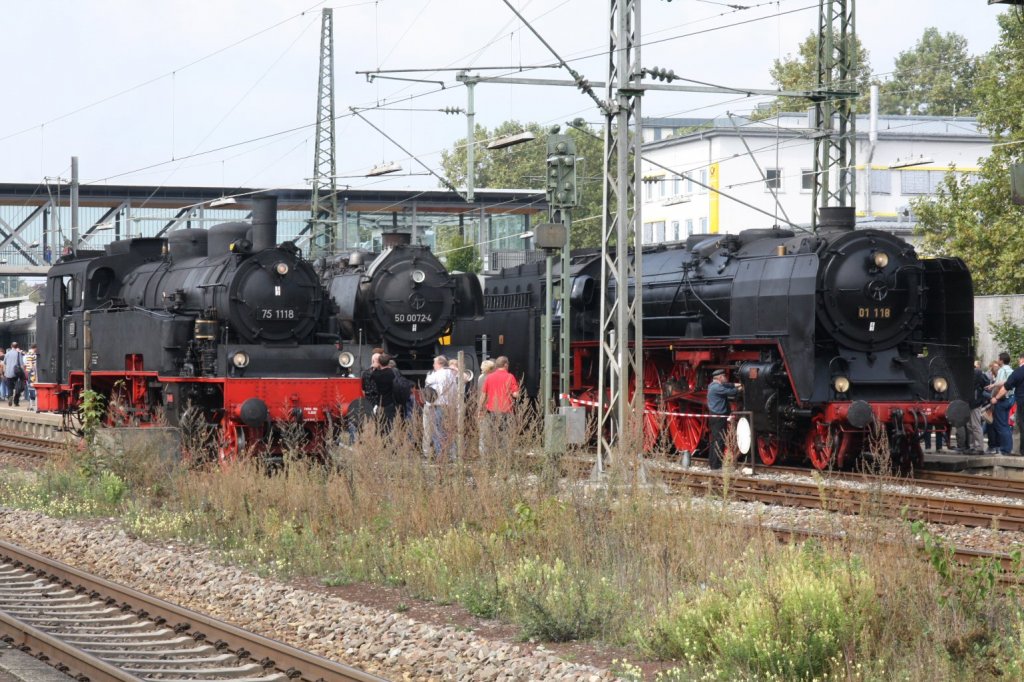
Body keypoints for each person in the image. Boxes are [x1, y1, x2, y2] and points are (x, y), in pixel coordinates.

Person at [479, 356, 520, 449]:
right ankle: (503, 457)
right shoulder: (510, 377)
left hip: (492, 410)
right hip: (506, 410)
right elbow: (516, 395)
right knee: (506, 435)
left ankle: (493, 454)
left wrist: (480, 409)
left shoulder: (489, 377)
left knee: (493, 434)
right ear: (505, 365)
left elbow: (483, 395)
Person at [706, 368, 741, 470]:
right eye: (724, 376)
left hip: (715, 416)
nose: (726, 378)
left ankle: (712, 463)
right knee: (720, 440)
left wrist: (734, 384)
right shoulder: (717, 388)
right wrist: (739, 388)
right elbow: (731, 392)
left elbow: (727, 385)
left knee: (715, 440)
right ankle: (716, 466)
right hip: (719, 417)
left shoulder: (713, 385)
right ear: (720, 377)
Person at [990, 352, 1024, 456]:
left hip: (1016, 402)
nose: (1019, 360)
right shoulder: (1013, 370)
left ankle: (1009, 449)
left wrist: (995, 398)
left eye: (1020, 358)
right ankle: (1015, 449)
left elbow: (1005, 386)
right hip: (1013, 400)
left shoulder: (1019, 371)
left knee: (1005, 425)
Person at [425, 355, 457, 460]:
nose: (433, 365)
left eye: (434, 363)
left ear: (439, 364)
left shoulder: (438, 374)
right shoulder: (451, 373)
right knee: (449, 431)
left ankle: (441, 455)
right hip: (450, 406)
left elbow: (428, 380)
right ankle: (453, 454)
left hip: (438, 406)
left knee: (437, 431)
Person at [988, 352, 1015, 455]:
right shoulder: (1012, 370)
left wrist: (994, 397)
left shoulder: (1002, 370)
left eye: (999, 359)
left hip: (1002, 399)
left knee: (1000, 425)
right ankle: (1008, 447)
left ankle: (1004, 449)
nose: (998, 360)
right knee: (1006, 425)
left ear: (1001, 360)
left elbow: (1000, 386)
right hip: (1011, 399)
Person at [368, 352, 398, 434]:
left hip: (380, 403)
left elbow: (369, 379)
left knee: (380, 426)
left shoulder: (375, 374)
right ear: (388, 362)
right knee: (389, 426)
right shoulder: (392, 373)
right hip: (390, 402)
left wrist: (374, 367)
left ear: (379, 363)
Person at [966, 361, 991, 455]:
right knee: (970, 425)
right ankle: (974, 446)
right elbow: (986, 384)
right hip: (971, 402)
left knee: (975, 425)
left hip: (974, 402)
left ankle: (979, 447)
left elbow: (986, 385)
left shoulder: (977, 373)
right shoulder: (977, 373)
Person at [3, 342, 25, 407]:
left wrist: (5, 372)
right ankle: (16, 402)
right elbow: (21, 365)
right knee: (18, 388)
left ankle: (10, 396)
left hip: (8, 373)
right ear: (17, 346)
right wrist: (23, 373)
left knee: (10, 388)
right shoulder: (18, 354)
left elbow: (5, 363)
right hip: (17, 373)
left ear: (11, 346)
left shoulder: (7, 353)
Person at [24, 344, 37, 410]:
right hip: (32, 373)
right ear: (35, 348)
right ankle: (32, 405)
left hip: (28, 372)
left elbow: (26, 363)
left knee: (30, 388)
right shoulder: (32, 354)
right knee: (32, 388)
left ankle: (31, 404)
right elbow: (31, 364)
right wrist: (34, 371)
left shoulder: (27, 353)